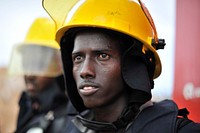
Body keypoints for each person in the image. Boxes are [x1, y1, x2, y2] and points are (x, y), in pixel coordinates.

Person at [42, 0, 200, 132]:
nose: (85, 71)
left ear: (135, 65)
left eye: (102, 56)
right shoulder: (69, 129)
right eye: (78, 58)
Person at [9, 17, 70, 133]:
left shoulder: (70, 119)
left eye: (39, 64)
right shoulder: (28, 107)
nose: (29, 75)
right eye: (27, 63)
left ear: (60, 64)